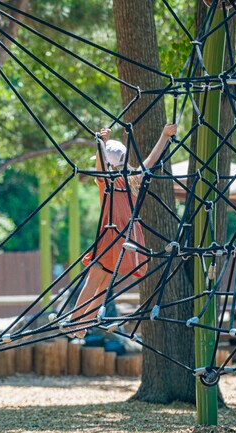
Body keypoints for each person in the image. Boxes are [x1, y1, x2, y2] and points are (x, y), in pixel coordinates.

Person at [68, 124, 177, 337]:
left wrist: (101, 143)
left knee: (94, 278)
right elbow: (151, 160)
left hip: (110, 234)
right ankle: (83, 325)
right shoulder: (134, 180)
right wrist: (164, 136)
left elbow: (101, 168)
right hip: (128, 238)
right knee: (105, 282)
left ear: (109, 164)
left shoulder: (107, 182)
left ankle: (75, 322)